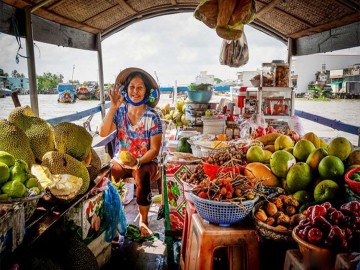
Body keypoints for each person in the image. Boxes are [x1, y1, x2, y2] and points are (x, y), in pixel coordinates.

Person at [99, 67, 163, 237]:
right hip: (122, 161)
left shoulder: (152, 116)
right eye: (132, 87)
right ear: (126, 90)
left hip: (146, 162)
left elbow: (155, 149)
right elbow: (103, 132)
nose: (135, 91)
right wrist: (113, 107)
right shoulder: (120, 113)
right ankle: (110, 216)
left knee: (141, 174)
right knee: (106, 174)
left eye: (140, 87)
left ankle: (144, 221)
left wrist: (139, 162)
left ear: (147, 91)